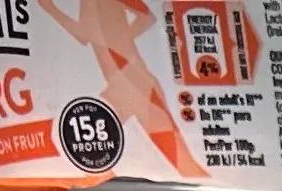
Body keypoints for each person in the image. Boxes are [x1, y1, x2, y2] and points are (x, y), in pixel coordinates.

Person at [34, 0, 199, 174]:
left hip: (134, 79)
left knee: (181, 161)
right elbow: (84, 36)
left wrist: (121, 38)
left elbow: (147, 18)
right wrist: (51, 10)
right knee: (78, 149)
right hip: (119, 85)